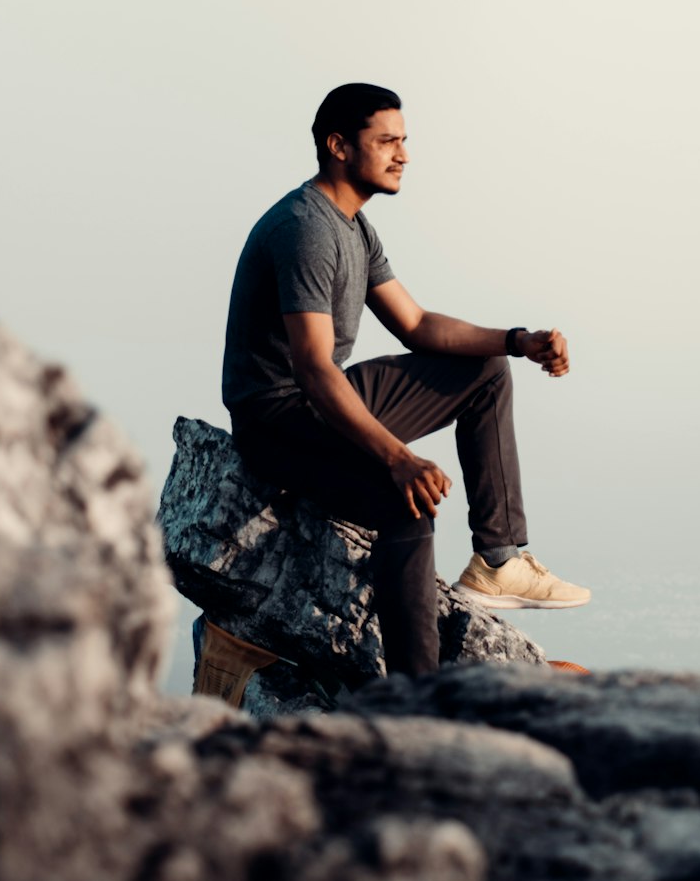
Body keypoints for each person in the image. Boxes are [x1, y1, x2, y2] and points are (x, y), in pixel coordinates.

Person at [222, 82, 590, 678]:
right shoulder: (306, 227)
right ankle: (418, 694)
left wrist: (516, 342)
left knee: (486, 372)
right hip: (278, 419)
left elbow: (416, 325)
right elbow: (314, 369)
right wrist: (397, 458)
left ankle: (498, 558)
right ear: (338, 146)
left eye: (404, 141)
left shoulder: (355, 228)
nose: (403, 155)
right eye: (387, 140)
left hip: (318, 400)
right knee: (405, 501)